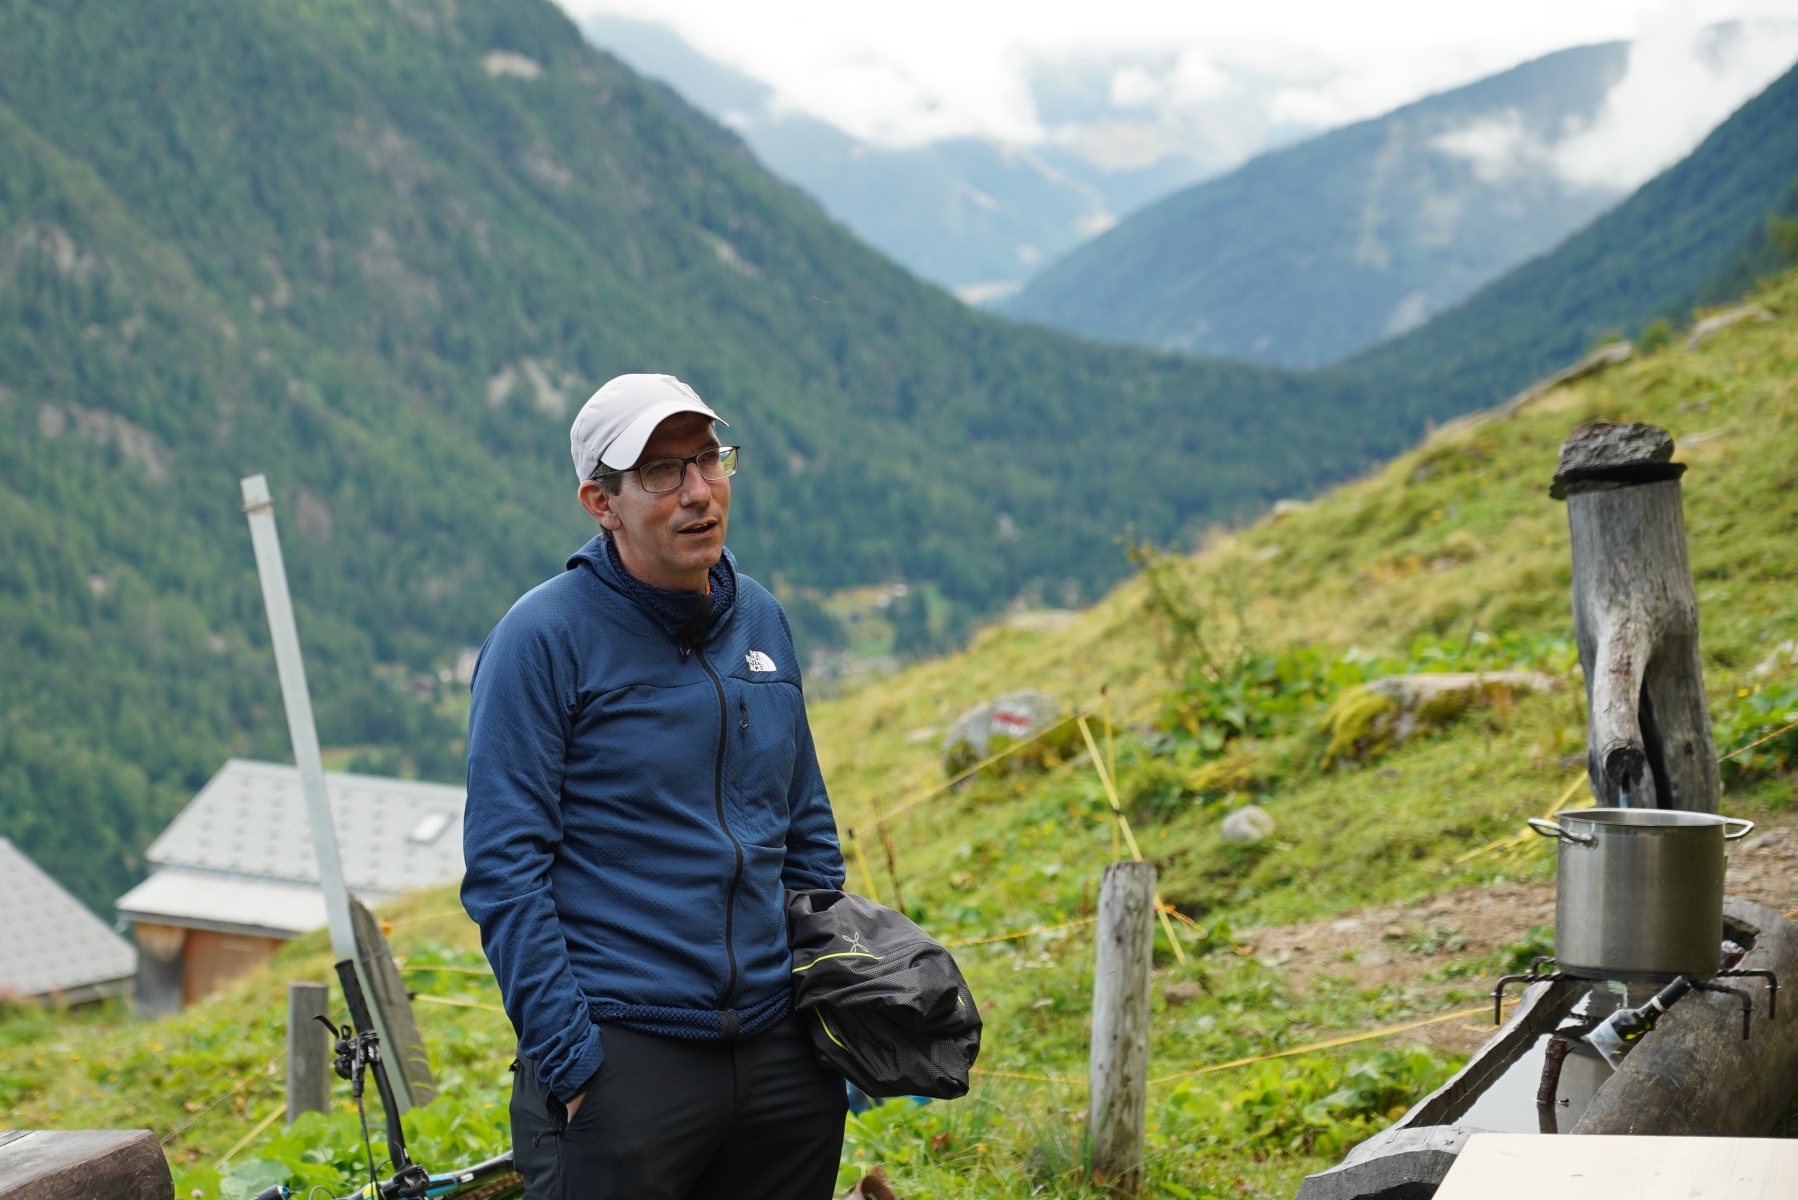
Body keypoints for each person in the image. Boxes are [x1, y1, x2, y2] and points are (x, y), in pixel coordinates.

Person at [461, 373, 848, 1200]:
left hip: (779, 1057)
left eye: (707, 459)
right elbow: (504, 870)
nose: (698, 491)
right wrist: (574, 1066)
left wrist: (822, 1009)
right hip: (626, 1055)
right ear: (601, 502)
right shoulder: (542, 640)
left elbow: (806, 828)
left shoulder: (761, 619)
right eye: (661, 472)